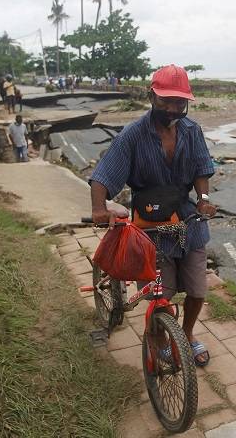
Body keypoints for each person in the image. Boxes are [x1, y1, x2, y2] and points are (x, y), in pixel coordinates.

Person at [89, 64, 216, 367]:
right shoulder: (132, 135)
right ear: (151, 97)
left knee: (198, 290)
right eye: (166, 101)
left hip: (186, 220)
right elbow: (103, 175)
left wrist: (204, 199)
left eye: (179, 103)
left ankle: (185, 335)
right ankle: (158, 338)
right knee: (160, 294)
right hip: (149, 224)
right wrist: (98, 208)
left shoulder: (192, 130)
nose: (173, 109)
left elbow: (201, 168)